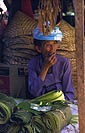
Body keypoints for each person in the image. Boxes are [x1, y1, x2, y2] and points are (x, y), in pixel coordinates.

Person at [28, 25, 74, 102]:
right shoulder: (33, 63)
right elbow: (34, 92)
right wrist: (45, 68)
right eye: (48, 45)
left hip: (60, 104)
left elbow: (69, 93)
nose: (53, 49)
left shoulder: (64, 63)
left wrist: (61, 104)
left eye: (54, 44)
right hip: (41, 104)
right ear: (39, 49)